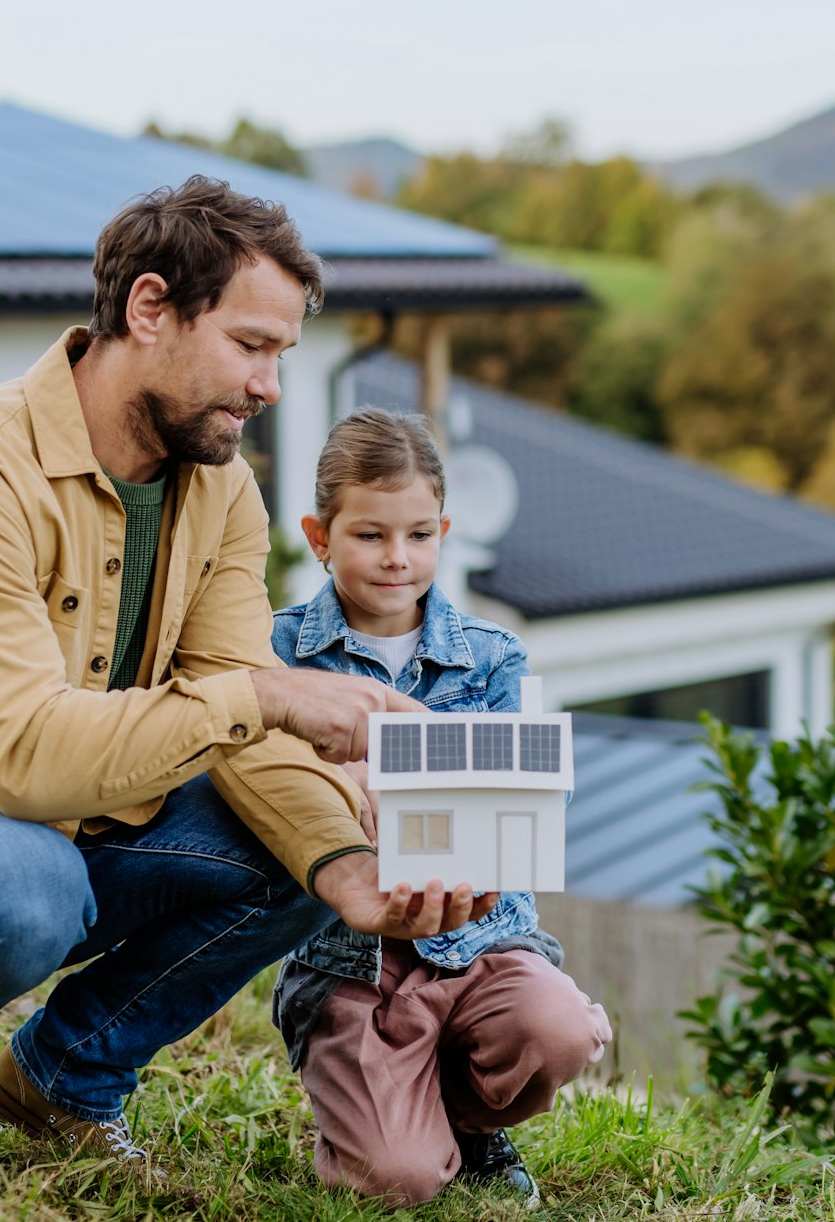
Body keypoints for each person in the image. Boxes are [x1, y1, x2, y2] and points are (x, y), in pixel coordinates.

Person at [0, 177, 495, 1170]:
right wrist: (269, 691)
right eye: (250, 345)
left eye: (281, 354)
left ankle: (62, 1081)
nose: (268, 385)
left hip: (58, 833)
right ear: (148, 309)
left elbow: (237, 719)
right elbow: (24, 760)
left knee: (305, 828)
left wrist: (345, 869)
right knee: (25, 883)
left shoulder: (219, 489)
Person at [268, 408, 612, 1207]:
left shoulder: (495, 656)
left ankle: (469, 1123)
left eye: (419, 534)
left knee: (555, 1030)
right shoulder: (279, 655)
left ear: (444, 531)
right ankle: (390, 1120)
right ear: (320, 536)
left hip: (480, 939)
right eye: (370, 535)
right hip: (349, 958)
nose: (398, 558)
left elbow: (529, 795)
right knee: (397, 1179)